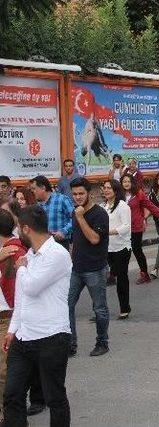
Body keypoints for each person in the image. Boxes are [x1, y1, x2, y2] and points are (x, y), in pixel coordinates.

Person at [3, 205, 72, 426]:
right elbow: (22, 298)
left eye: (18, 229)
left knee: (55, 398)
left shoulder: (57, 254)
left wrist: (22, 268)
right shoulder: (30, 255)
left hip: (52, 337)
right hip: (23, 338)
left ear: (26, 229)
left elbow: (31, 287)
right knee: (12, 394)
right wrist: (12, 330)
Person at [67, 178, 110, 357]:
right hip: (76, 269)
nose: (77, 197)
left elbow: (94, 239)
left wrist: (80, 217)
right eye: (75, 194)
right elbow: (76, 240)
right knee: (66, 304)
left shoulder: (99, 214)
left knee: (99, 308)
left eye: (81, 193)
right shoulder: (75, 212)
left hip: (95, 269)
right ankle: (70, 343)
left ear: (89, 193)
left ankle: (102, 342)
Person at [121, 174, 159, 285]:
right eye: (124, 181)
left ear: (132, 183)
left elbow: (152, 207)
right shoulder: (119, 195)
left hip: (136, 227)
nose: (126, 183)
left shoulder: (139, 194)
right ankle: (114, 273)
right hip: (122, 228)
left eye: (128, 181)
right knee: (121, 251)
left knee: (137, 250)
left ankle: (144, 274)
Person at [0, 211, 27, 406]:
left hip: (7, 318)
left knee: (4, 371)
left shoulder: (13, 251)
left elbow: (18, 289)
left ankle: (9, 413)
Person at [102, 180, 132, 320]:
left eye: (109, 188)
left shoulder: (123, 206)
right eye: (105, 188)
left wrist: (108, 232)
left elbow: (126, 227)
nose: (106, 190)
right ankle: (100, 310)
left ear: (116, 190)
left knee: (121, 278)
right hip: (107, 248)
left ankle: (124, 308)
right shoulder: (103, 206)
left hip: (122, 248)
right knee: (101, 278)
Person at [29, 176, 74, 250]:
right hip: (43, 244)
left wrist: (64, 231)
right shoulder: (37, 205)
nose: (32, 191)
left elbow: (75, 219)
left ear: (43, 188)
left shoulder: (62, 199)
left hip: (61, 243)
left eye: (34, 189)